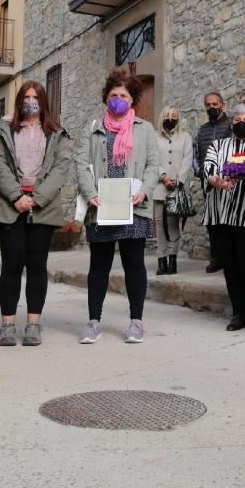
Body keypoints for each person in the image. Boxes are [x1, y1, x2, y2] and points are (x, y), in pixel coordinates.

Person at [77, 69, 160, 344]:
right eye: (113, 95)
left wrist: (145, 192)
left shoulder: (145, 129)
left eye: (123, 95)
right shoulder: (92, 128)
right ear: (106, 98)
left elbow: (153, 165)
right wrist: (90, 194)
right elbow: (81, 164)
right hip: (101, 207)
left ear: (132, 99)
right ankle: (93, 322)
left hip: (133, 206)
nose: (118, 100)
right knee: (98, 266)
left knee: (134, 264)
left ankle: (136, 322)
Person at [0, 81, 72, 347]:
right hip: (9, 205)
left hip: (42, 206)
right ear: (19, 100)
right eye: (26, 97)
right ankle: (7, 325)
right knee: (11, 265)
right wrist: (16, 196)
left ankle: (33, 325)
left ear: (43, 101)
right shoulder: (2, 130)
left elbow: (61, 169)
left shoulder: (57, 133)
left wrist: (36, 199)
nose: (31, 101)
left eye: (36, 97)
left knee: (37, 266)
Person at [203, 104, 245, 332]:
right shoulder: (217, 145)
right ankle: (238, 312)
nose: (241, 122)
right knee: (229, 265)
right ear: (231, 123)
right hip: (221, 214)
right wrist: (215, 180)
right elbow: (208, 167)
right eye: (237, 119)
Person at [193, 92, 231, 273]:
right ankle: (217, 258)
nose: (212, 107)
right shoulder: (202, 130)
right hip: (208, 183)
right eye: (208, 104)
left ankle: (231, 257)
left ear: (222, 105)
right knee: (213, 222)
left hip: (228, 181)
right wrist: (201, 173)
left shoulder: (231, 126)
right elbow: (196, 154)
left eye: (215, 104)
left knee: (230, 221)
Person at [153, 105, 192, 276]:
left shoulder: (185, 137)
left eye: (174, 115)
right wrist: (162, 176)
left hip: (177, 187)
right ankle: (161, 260)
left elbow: (188, 159)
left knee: (173, 224)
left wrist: (179, 180)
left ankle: (173, 260)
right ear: (162, 116)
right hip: (160, 186)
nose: (171, 118)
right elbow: (152, 159)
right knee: (160, 225)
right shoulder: (154, 137)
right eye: (167, 115)